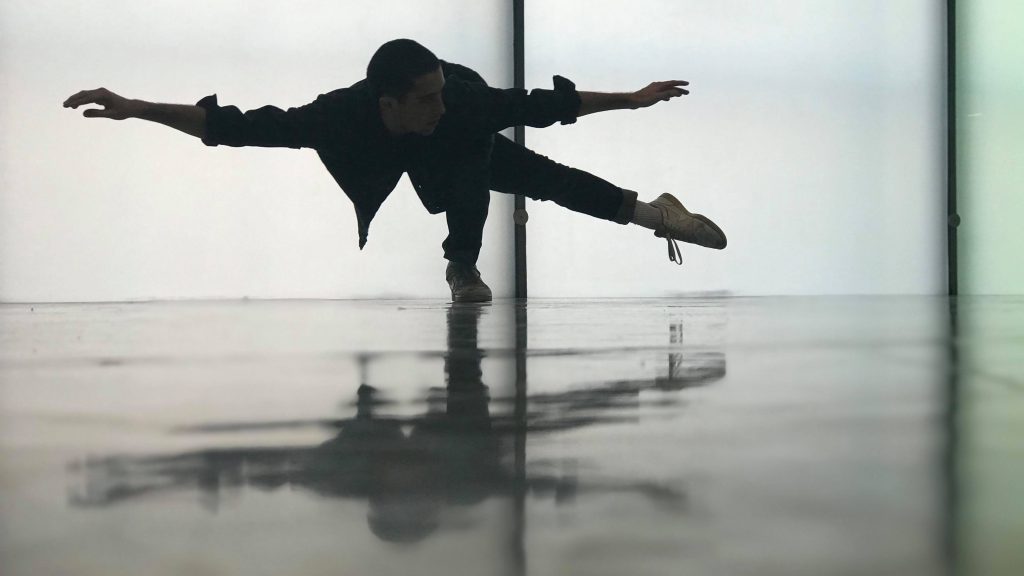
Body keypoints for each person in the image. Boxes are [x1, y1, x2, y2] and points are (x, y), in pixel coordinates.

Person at [63, 39, 727, 302]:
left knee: (532, 174)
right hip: (401, 152)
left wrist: (634, 99)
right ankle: (467, 261)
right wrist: (138, 108)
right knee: (495, 173)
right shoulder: (337, 117)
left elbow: (547, 103)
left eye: (442, 89)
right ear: (389, 103)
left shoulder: (460, 106)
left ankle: (652, 216)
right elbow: (234, 127)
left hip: (458, 150)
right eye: (426, 97)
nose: (439, 102)